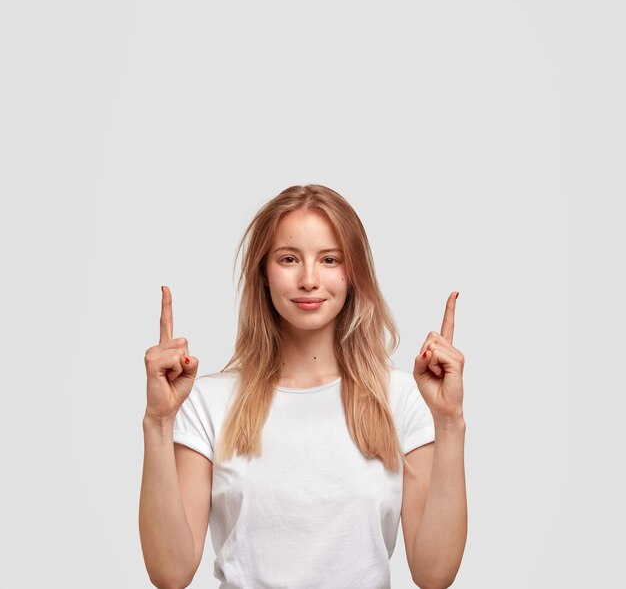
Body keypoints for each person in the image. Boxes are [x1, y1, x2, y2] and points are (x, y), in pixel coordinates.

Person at [139, 184, 468, 589]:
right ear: (264, 272)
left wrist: (450, 422)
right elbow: (169, 573)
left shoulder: (399, 399)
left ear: (354, 274)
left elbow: (434, 574)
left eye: (329, 259)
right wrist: (158, 421)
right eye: (289, 259)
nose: (309, 279)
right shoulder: (210, 400)